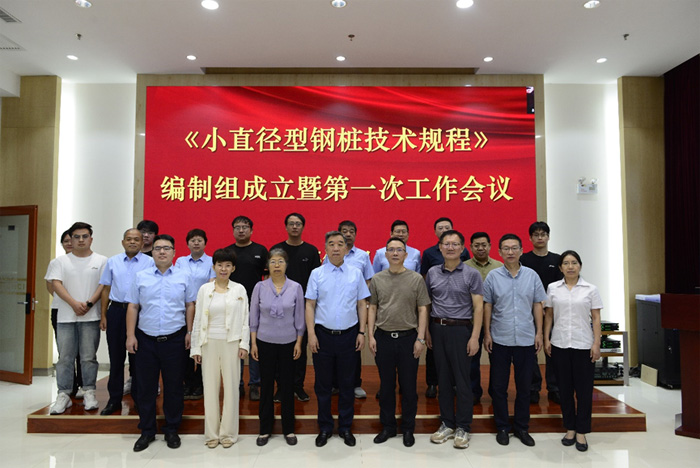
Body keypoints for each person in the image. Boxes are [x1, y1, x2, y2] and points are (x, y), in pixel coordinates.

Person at [126, 234, 196, 452]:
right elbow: (133, 306)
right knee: (145, 388)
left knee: (174, 387)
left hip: (175, 338)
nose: (162, 252)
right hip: (145, 339)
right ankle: (147, 430)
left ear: (174, 252)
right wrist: (130, 335)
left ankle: (172, 429)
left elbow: (190, 305)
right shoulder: (141, 276)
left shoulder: (184, 276)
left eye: (167, 248)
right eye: (157, 248)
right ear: (152, 252)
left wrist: (190, 332)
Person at [306, 231, 370, 448]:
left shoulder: (355, 273)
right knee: (323, 385)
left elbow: (362, 303)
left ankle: (345, 427)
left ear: (346, 248)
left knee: (347, 384)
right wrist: (311, 334)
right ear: (325, 248)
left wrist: (361, 332)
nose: (336, 248)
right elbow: (310, 305)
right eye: (331, 244)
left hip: (349, 335)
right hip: (323, 335)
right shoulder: (316, 273)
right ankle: (325, 427)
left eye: (340, 244)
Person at [483, 233, 546, 447]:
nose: (510, 252)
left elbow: (537, 304)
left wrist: (539, 333)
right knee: (498, 387)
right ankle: (502, 427)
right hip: (500, 339)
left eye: (514, 248)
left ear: (521, 250)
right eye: (506, 248)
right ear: (499, 252)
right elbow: (488, 306)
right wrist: (487, 333)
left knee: (524, 387)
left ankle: (521, 427)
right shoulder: (492, 277)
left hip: (526, 339)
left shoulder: (532, 276)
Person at [368, 237, 430, 447]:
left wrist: (420, 338)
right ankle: (388, 426)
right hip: (383, 338)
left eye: (399, 250)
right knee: (386, 387)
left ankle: (408, 428)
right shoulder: (377, 279)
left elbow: (423, 309)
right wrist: (370, 335)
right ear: (385, 254)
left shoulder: (416, 279)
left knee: (409, 386)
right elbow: (373, 308)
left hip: (408, 339)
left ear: (406, 254)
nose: (395, 253)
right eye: (391, 250)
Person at [425, 230, 483, 449]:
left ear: (462, 248)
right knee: (443, 378)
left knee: (462, 379)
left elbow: (479, 307)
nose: (450, 248)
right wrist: (427, 332)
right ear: (440, 247)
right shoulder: (432, 272)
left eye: (455, 244)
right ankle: (447, 423)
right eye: (446, 244)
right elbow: (427, 304)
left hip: (461, 330)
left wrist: (475, 336)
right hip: (437, 329)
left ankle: (463, 426)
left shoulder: (472, 274)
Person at [190, 248, 250, 449]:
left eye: (227, 265)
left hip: (231, 343)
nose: (223, 269)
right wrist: (196, 348)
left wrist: (244, 344)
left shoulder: (239, 289)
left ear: (233, 268)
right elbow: (198, 319)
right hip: (208, 343)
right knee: (210, 388)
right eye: (220, 265)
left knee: (232, 388)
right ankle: (212, 434)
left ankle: (228, 434)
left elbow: (245, 318)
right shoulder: (204, 289)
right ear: (214, 266)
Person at [544, 250, 602, 452]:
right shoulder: (553, 288)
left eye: (574, 262)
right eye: (566, 263)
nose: (570, 266)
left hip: (583, 345)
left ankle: (582, 431)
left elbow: (596, 318)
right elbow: (549, 315)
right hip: (559, 343)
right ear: (560, 268)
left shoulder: (590, 289)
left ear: (580, 266)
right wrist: (546, 338)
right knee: (564, 389)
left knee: (584, 391)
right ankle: (570, 427)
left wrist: (596, 343)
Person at [47, 222, 107, 415]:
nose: (81, 240)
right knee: (65, 358)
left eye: (84, 236)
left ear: (91, 239)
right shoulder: (59, 262)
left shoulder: (102, 260)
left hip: (91, 316)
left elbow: (103, 285)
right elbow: (56, 284)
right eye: (76, 237)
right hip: (65, 317)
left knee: (88, 357)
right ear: (71, 240)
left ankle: (89, 391)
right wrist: (74, 304)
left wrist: (89, 303)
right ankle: (63, 394)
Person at [250, 249, 306, 447]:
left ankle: (288, 428)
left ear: (286, 264)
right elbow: (253, 317)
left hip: (289, 343)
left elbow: (300, 317)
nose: (276, 265)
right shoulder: (260, 286)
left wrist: (299, 342)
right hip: (264, 341)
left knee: (287, 386)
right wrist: (253, 343)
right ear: (268, 265)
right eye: (273, 261)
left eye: (280, 261)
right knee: (266, 386)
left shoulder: (295, 287)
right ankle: (265, 428)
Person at [98, 228, 155, 415]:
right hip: (116, 311)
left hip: (139, 312)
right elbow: (106, 289)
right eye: (129, 239)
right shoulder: (113, 261)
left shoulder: (150, 262)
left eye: (136, 239)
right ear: (123, 242)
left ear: (142, 243)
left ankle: (139, 399)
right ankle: (114, 400)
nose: (132, 242)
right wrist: (104, 315)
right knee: (116, 358)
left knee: (139, 359)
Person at [270, 212, 321, 402]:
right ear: (285, 227)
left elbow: (315, 281)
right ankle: (281, 388)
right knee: (279, 349)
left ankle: (298, 386)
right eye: (291, 223)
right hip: (279, 306)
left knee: (300, 348)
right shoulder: (277, 250)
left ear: (303, 227)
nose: (294, 227)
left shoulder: (311, 251)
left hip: (303, 307)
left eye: (298, 224)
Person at [420, 217, 470, 399]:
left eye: (447, 227)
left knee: (458, 360)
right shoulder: (429, 253)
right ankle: (433, 383)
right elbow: (425, 279)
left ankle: (456, 386)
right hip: (437, 310)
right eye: (440, 228)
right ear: (435, 233)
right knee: (434, 354)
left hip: (459, 317)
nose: (443, 230)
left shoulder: (463, 255)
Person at [326, 220, 373, 399]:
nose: (348, 234)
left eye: (351, 231)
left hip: (354, 308)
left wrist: (363, 302)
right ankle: (335, 384)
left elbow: (368, 280)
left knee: (354, 349)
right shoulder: (330, 255)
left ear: (355, 234)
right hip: (334, 308)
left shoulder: (362, 256)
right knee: (333, 351)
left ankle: (355, 384)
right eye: (344, 231)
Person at [225, 215, 268, 401]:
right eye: (237, 227)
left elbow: (268, 276)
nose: (241, 230)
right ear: (233, 230)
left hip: (255, 305)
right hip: (232, 305)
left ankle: (254, 384)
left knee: (254, 345)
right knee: (235, 345)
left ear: (251, 230)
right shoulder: (228, 252)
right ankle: (238, 384)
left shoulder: (260, 250)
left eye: (244, 227)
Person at [521, 221, 563, 404]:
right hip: (528, 311)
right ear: (530, 238)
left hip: (553, 312)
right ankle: (533, 388)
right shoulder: (524, 260)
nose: (540, 237)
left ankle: (554, 387)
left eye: (543, 234)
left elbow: (560, 287)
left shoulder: (557, 260)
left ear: (548, 237)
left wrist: (548, 306)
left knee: (552, 350)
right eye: (536, 234)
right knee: (530, 352)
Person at [175, 228, 216, 401]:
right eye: (193, 240)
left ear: (205, 243)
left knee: (202, 347)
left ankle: (200, 383)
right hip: (184, 310)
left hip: (204, 310)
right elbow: (177, 282)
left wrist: (200, 301)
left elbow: (212, 283)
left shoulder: (212, 261)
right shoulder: (180, 261)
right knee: (185, 347)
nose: (196, 243)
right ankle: (188, 382)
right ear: (187, 244)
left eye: (200, 240)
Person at [464, 231, 503, 405]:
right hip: (470, 321)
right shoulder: (463, 267)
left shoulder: (499, 267)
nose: (480, 248)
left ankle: (496, 392)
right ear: (471, 247)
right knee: (471, 359)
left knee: (497, 360)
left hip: (495, 322)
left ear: (490, 246)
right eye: (476, 245)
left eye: (484, 245)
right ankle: (473, 392)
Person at [45, 230, 82, 397]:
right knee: (65, 350)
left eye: (71, 240)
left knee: (83, 351)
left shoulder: (85, 261)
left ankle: (83, 384)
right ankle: (69, 386)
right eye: (65, 241)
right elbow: (51, 287)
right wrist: (67, 301)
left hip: (83, 310)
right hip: (60, 310)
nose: (69, 243)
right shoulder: (56, 262)